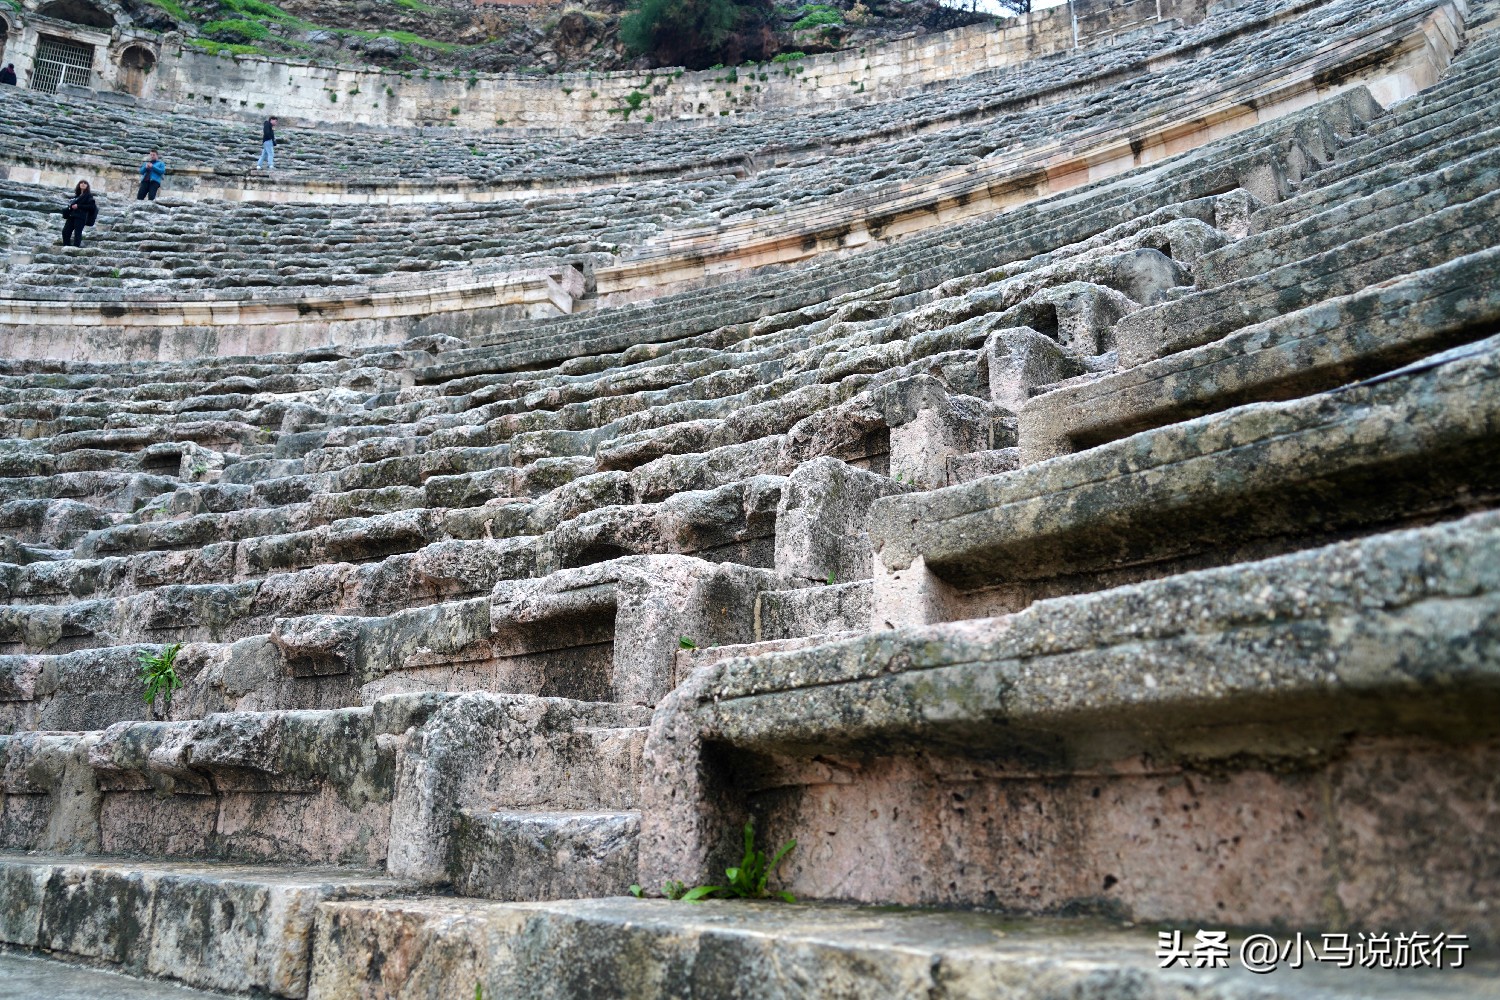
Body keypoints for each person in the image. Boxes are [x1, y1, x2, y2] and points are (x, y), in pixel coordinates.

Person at [61, 180, 97, 248]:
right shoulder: (76, 196)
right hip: (72, 216)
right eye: (81, 183)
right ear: (79, 185)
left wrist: (78, 206)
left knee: (77, 232)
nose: (83, 184)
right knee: (65, 231)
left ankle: (75, 247)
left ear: (87, 186)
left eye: (85, 183)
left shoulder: (88, 196)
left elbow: (92, 207)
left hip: (80, 216)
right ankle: (66, 245)